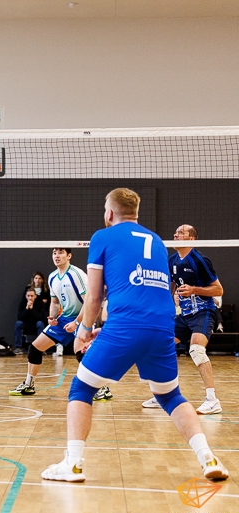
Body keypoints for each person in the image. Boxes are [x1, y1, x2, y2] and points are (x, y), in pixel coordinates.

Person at [42, 188, 228, 483]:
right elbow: (149, 292)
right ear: (136, 213)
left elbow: (94, 296)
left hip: (126, 325)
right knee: (170, 395)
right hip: (162, 327)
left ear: (109, 213)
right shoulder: (157, 242)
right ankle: (208, 457)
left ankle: (73, 463)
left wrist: (84, 330)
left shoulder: (102, 237)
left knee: (81, 388)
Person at [142, 224, 223, 414]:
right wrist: (167, 305)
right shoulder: (172, 260)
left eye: (181, 233)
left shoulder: (200, 260)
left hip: (203, 311)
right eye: (176, 232)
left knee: (196, 350)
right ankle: (163, 395)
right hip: (184, 315)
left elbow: (218, 289)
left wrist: (194, 290)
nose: (175, 235)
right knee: (158, 348)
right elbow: (170, 287)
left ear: (191, 239)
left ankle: (212, 400)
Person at [9, 248, 87, 397]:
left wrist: (76, 323)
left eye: (61, 252)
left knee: (81, 352)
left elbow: (89, 302)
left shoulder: (76, 274)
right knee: (35, 348)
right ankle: (28, 385)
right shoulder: (52, 277)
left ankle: (101, 388)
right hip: (65, 318)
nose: (57, 256)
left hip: (84, 316)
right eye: (54, 252)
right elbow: (55, 302)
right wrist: (52, 317)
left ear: (69, 256)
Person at [13, 287, 46, 355]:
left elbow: (41, 318)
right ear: (26, 296)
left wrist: (32, 309)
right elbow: (20, 317)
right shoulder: (22, 303)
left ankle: (41, 348)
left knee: (40, 324)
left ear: (35, 296)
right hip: (26, 324)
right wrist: (26, 309)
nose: (30, 298)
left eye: (32, 296)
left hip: (36, 323)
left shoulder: (40, 303)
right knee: (18, 324)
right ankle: (18, 347)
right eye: (28, 296)